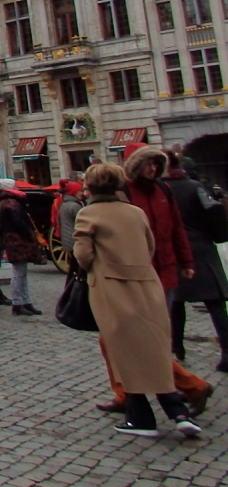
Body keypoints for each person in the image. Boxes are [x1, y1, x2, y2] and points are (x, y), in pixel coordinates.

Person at [74, 162, 201, 439]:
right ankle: (178, 413)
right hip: (146, 285)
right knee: (154, 349)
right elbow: (149, 246)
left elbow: (83, 256)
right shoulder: (136, 212)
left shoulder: (88, 213)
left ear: (92, 186)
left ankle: (142, 418)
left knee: (123, 352)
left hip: (112, 288)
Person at [93, 145, 213, 416]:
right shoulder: (122, 193)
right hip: (131, 274)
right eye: (148, 164)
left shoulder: (163, 190)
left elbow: (176, 228)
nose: (153, 169)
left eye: (156, 164)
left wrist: (186, 261)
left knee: (145, 339)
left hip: (161, 273)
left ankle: (191, 386)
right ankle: (126, 393)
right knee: (114, 338)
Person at [164, 150, 228, 371]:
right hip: (201, 247)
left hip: (174, 249)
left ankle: (177, 347)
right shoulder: (195, 187)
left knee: (176, 303)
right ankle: (227, 352)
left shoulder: (161, 189)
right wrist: (219, 235)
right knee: (215, 303)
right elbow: (214, 211)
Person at [0, 179, 43, 316]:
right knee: (18, 273)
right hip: (16, 239)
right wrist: (28, 234)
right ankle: (18, 302)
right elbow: (18, 222)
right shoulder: (10, 203)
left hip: (15, 239)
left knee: (22, 273)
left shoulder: (9, 201)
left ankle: (25, 301)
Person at [58, 181, 85, 256]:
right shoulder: (74, 206)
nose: (82, 193)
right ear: (74, 192)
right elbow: (82, 223)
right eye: (80, 191)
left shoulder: (64, 204)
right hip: (75, 240)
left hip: (67, 239)